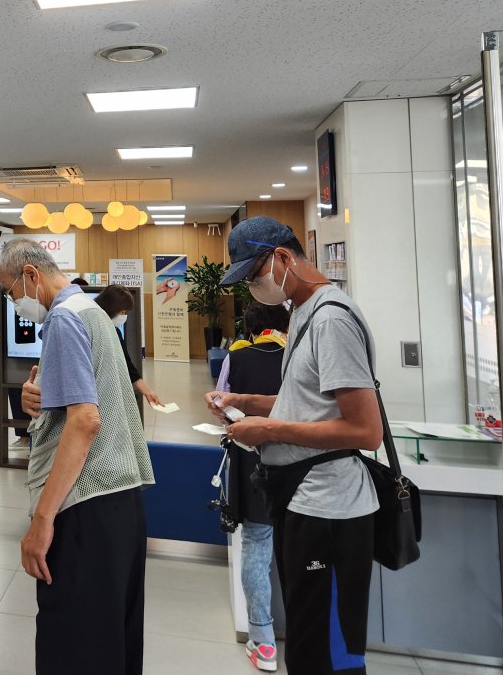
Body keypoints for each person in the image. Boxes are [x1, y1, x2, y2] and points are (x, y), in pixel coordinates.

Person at [205, 217, 382, 675]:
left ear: (283, 257)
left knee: (329, 651)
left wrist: (268, 431)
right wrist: (244, 401)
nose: (252, 289)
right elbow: (306, 401)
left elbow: (365, 430)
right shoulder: (301, 312)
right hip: (302, 502)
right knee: (305, 643)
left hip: (331, 510)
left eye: (254, 275)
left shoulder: (332, 320)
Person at [1, 238, 155, 674]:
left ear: (30, 275)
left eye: (11, 291)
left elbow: (85, 421)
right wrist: (44, 396)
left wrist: (42, 519)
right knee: (114, 641)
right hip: (122, 503)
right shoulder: (93, 313)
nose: (13, 303)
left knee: (74, 646)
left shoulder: (64, 321)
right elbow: (96, 393)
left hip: (85, 508)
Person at [214, 302, 290, 672]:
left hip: (252, 462)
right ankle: (311, 635)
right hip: (303, 466)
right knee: (301, 545)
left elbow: (220, 403)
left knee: (257, 546)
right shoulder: (298, 355)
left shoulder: (236, 357)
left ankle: (263, 642)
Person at [93, 284, 163, 408]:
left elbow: (126, 364)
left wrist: (147, 391)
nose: (123, 316)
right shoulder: (91, 328)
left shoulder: (115, 332)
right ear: (110, 307)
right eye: (122, 311)